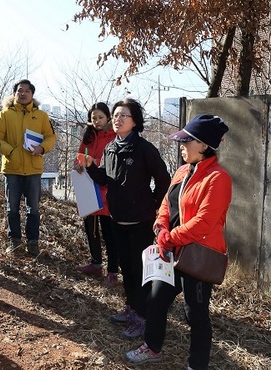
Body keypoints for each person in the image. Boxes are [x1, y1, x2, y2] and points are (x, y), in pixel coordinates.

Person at [124, 115, 232, 369]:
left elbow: (204, 222)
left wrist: (170, 238)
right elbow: (166, 204)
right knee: (155, 300)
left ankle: (197, 363)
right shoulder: (182, 171)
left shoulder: (218, 178)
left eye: (187, 141)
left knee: (195, 313)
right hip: (169, 251)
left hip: (197, 255)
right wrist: (160, 227)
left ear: (204, 145)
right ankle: (152, 347)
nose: (181, 146)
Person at [83, 98, 170, 339]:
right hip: (117, 218)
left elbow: (164, 179)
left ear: (135, 121)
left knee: (141, 270)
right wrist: (91, 166)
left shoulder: (144, 149)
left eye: (124, 116)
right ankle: (131, 307)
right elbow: (105, 179)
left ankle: (142, 316)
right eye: (116, 115)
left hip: (140, 221)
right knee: (126, 268)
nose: (118, 119)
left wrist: (153, 203)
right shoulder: (111, 147)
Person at [0, 79, 56, 256]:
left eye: (27, 91)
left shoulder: (41, 115)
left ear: (32, 95)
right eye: (20, 90)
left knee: (33, 208)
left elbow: (51, 137)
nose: (23, 93)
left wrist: (42, 148)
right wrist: (10, 151)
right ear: (14, 93)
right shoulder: (5, 114)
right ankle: (15, 242)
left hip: (34, 168)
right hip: (12, 168)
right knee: (12, 207)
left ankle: (33, 242)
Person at [73, 102, 118, 287]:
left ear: (108, 117)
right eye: (93, 118)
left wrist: (94, 163)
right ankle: (96, 263)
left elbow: (113, 162)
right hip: (88, 188)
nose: (97, 121)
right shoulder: (89, 135)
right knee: (90, 230)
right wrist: (78, 163)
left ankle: (113, 271)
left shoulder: (115, 136)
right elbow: (80, 154)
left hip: (106, 190)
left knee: (110, 234)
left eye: (100, 117)